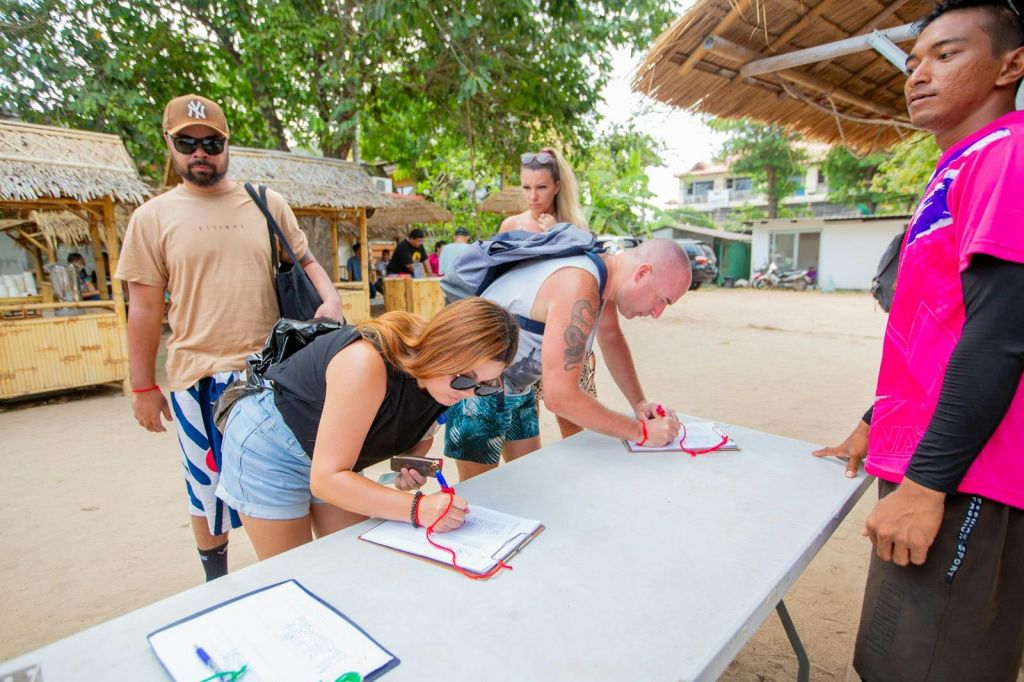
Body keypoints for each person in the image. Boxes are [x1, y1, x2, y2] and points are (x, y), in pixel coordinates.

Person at [812, 3, 1024, 679]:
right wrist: (877, 421)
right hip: (934, 459)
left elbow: (1002, 330)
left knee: (919, 667)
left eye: (946, 54)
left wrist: (927, 483)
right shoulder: (958, 168)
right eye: (912, 62)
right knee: (886, 656)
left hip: (969, 476)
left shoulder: (1008, 154)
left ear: (1010, 65)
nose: (918, 74)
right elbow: (941, 327)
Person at [115, 94, 343, 582]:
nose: (201, 152)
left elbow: (304, 262)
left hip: (274, 373)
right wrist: (141, 387)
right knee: (207, 490)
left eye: (212, 142)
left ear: (226, 144)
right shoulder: (152, 218)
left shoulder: (265, 203)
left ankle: (320, 578)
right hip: (198, 377)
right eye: (187, 142)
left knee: (301, 474)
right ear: (170, 144)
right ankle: (215, 585)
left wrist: (332, 301)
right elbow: (145, 309)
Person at [214, 298, 518, 559]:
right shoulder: (366, 362)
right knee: (296, 569)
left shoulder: (444, 383)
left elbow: (416, 431)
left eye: (484, 386)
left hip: (333, 452)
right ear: (441, 348)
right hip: (272, 444)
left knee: (351, 560)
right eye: (465, 378)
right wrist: (419, 508)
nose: (468, 393)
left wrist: (409, 464)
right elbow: (327, 479)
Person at [445, 235, 692, 481]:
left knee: (528, 487)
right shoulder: (579, 284)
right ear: (642, 273)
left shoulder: (602, 277)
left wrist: (639, 403)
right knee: (480, 494)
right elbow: (560, 397)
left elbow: (612, 338)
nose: (657, 313)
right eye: (662, 300)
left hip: (518, 389)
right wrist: (641, 432)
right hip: (475, 391)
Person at [498, 148, 595, 440]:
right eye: (526, 187)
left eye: (541, 187)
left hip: (565, 335)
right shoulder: (511, 225)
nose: (533, 196)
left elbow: (584, 281)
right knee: (527, 419)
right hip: (523, 337)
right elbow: (501, 280)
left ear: (557, 186)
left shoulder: (575, 227)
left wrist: (559, 235)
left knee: (570, 418)